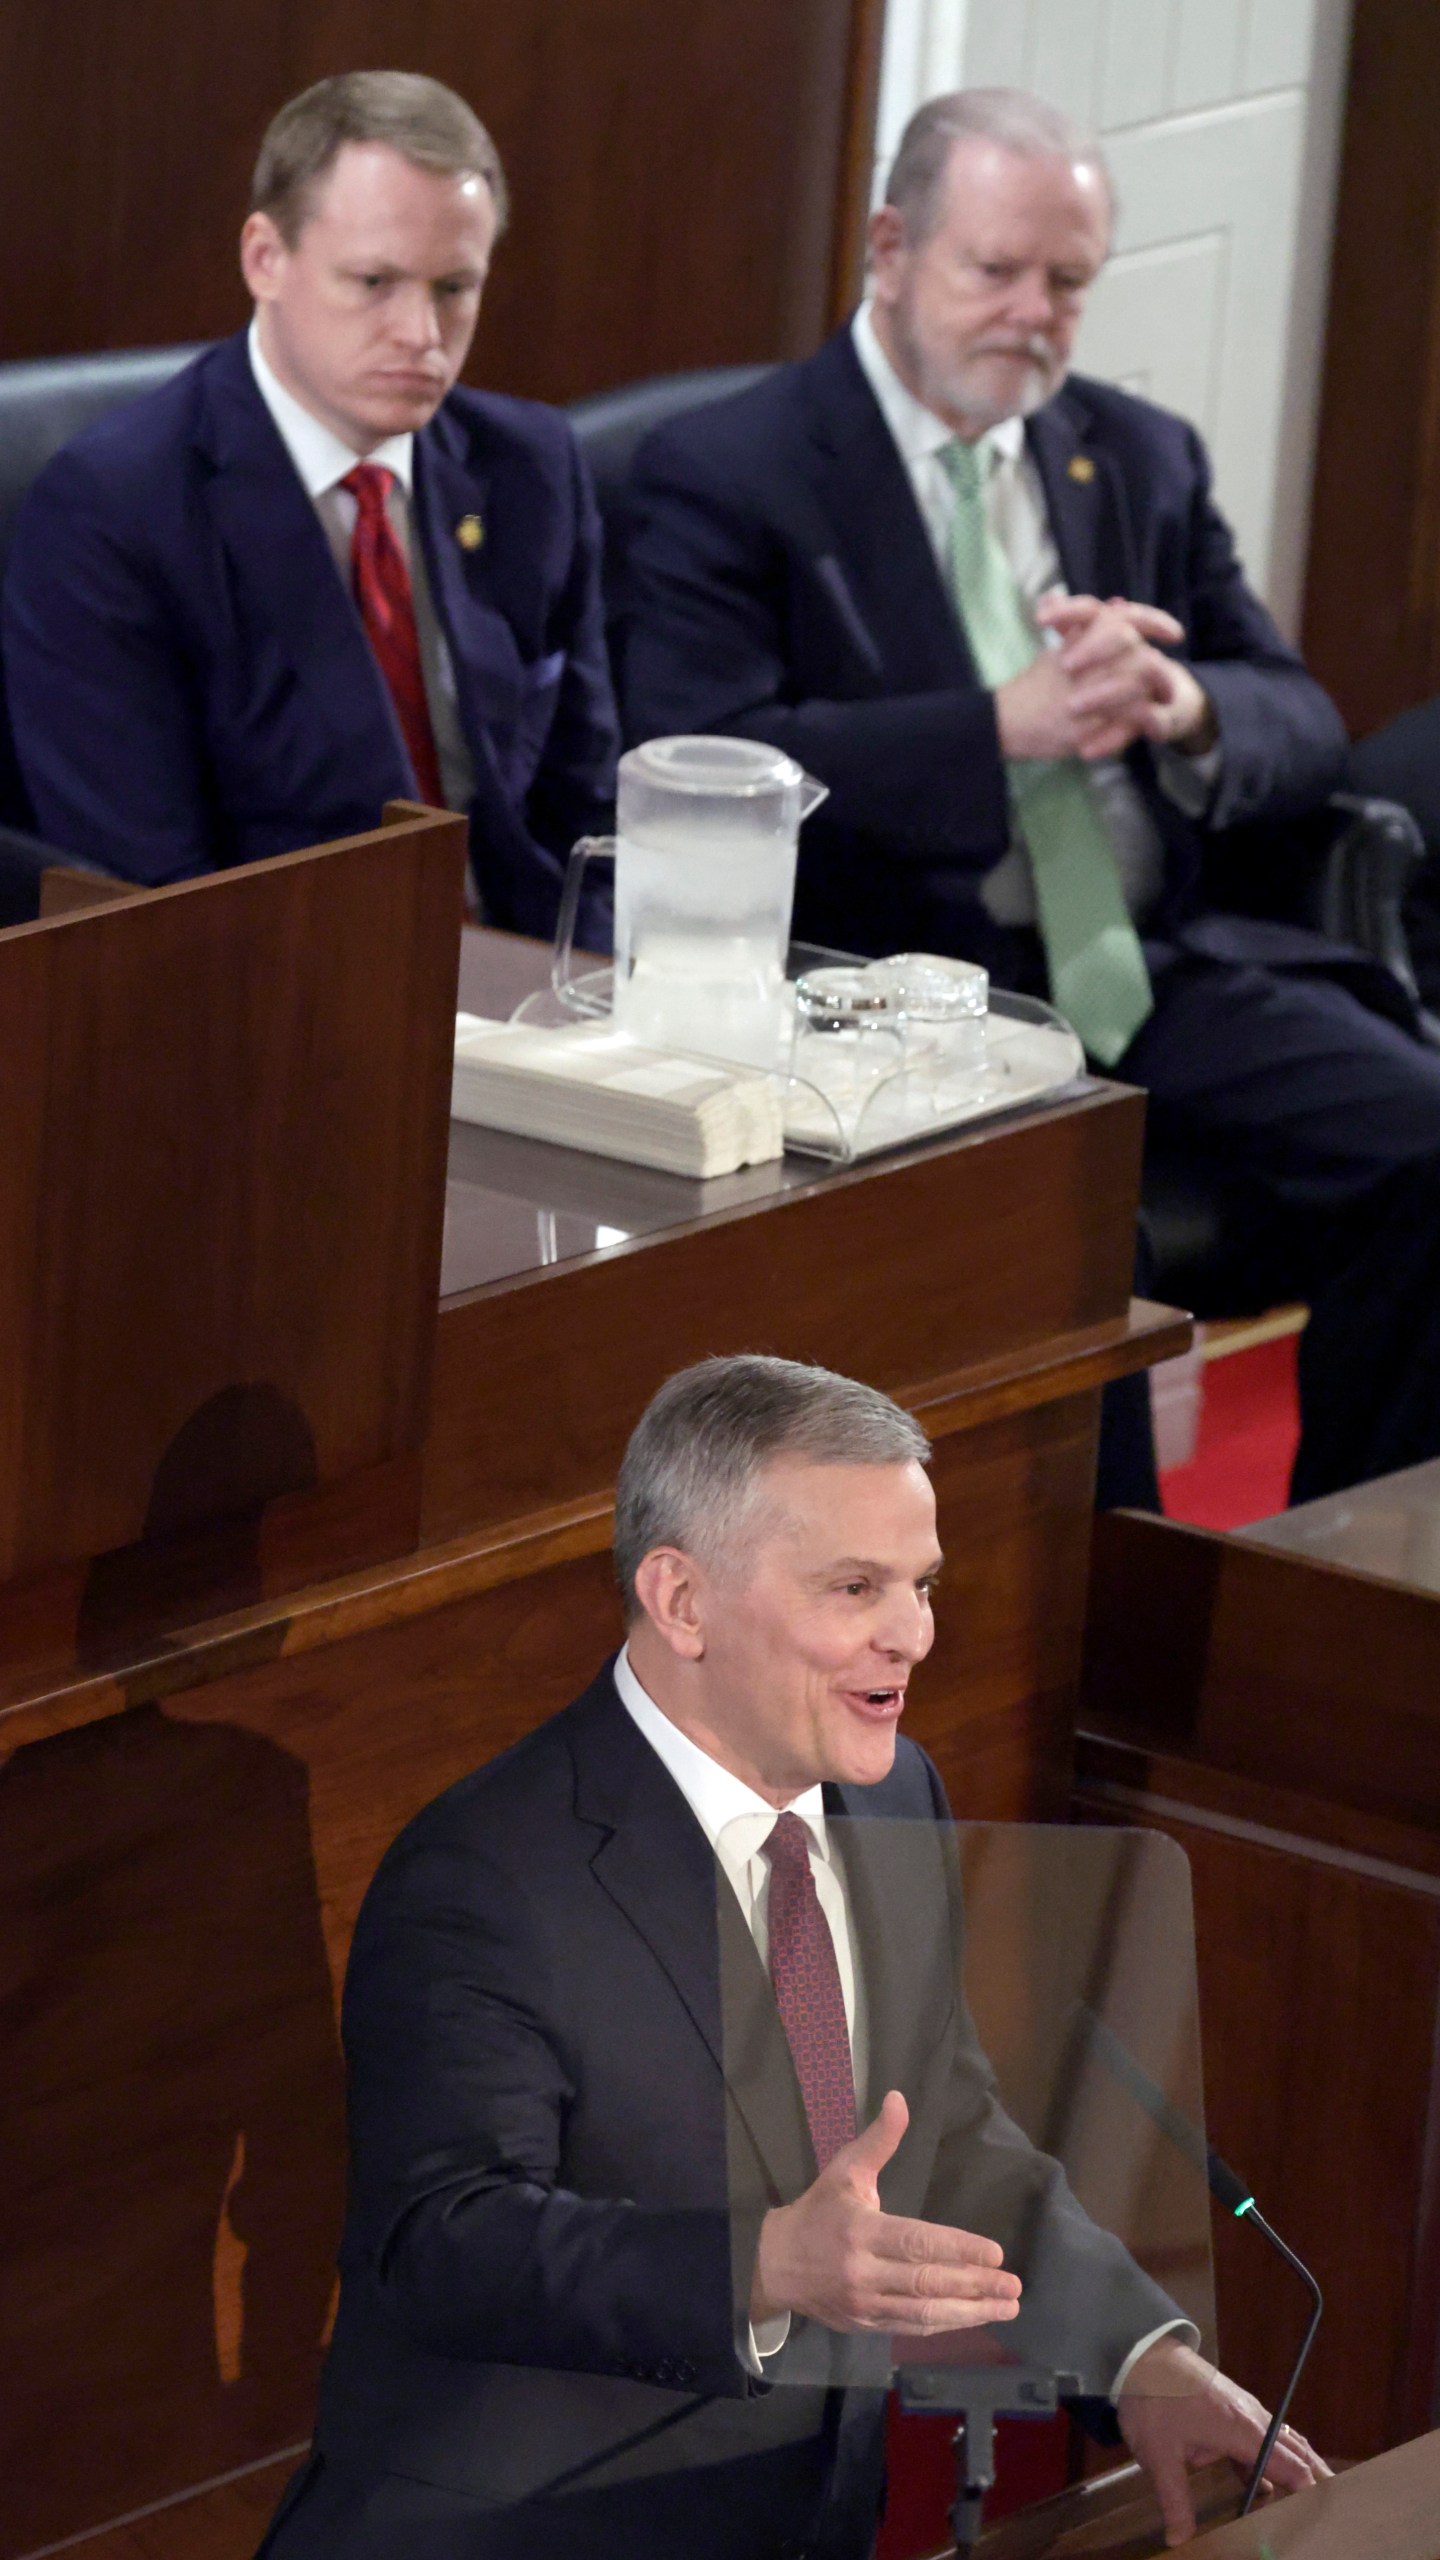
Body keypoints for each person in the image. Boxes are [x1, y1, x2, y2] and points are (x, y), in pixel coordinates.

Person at [256, 1355, 1326, 2559]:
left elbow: (941, 2134)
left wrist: (1139, 2355)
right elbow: (443, 2242)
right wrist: (764, 2265)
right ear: (682, 1600)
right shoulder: (485, 1877)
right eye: (855, 1587)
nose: (913, 1634)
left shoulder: (893, 1795)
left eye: (922, 1582)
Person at [620, 90, 1440, 1503]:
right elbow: (702, 753)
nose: (1034, 314)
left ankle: (1331, 1580)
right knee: (1067, 1238)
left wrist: (1181, 709)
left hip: (1142, 973)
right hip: (901, 1006)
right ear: (890, 249)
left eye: (1067, 282)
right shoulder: (729, 470)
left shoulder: (1134, 455)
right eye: (993, 270)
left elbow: (1299, 713)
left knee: (1430, 1145)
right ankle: (1097, 1659)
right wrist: (993, 727)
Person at [2, 72, 617, 934]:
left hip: (527, 986)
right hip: (283, 996)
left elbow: (587, 813)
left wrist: (594, 1019)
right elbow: (148, 896)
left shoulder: (531, 467)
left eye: (454, 288)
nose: (422, 336)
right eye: (373, 282)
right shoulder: (114, 510)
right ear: (265, 258)